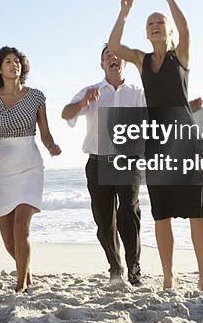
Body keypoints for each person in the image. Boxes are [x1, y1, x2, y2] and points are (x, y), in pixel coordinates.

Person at [108, 0, 203, 292]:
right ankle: (169, 275)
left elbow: (186, 26)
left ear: (168, 31)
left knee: (197, 210)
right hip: (156, 142)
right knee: (162, 212)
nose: (155, 26)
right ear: (146, 32)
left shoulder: (181, 55)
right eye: (150, 23)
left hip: (186, 140)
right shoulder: (140, 60)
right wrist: (123, 14)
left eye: (160, 23)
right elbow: (113, 44)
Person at [0, 46, 61, 293]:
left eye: (17, 61)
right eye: (7, 61)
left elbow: (45, 134)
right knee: (8, 239)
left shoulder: (36, 97)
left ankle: (20, 285)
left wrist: (52, 146)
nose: (14, 65)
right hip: (3, 168)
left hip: (30, 165)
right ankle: (26, 271)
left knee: (21, 226)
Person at [62, 45, 147, 287]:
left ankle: (134, 269)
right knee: (104, 221)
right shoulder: (92, 91)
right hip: (98, 163)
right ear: (102, 65)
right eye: (107, 56)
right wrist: (82, 104)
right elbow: (65, 114)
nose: (112, 58)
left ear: (125, 62)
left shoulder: (138, 93)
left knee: (129, 212)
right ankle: (115, 267)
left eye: (116, 55)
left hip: (128, 161)